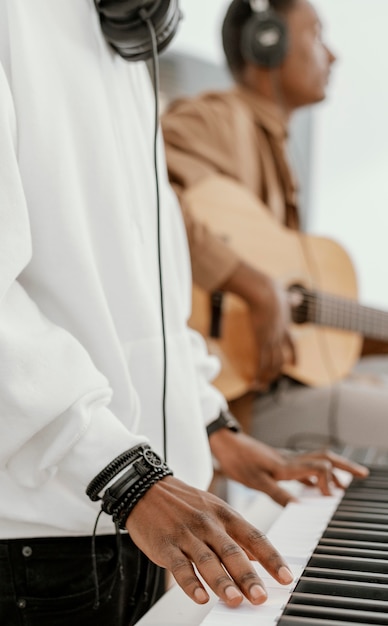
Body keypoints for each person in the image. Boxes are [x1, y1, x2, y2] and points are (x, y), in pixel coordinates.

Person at [0, 1, 368, 625]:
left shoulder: (126, 40)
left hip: (149, 515)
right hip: (57, 535)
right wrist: (121, 475)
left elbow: (147, 281)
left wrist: (209, 423)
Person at [162, 0, 388, 452]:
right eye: (317, 34)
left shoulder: (280, 154)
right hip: (222, 398)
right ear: (266, 41)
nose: (334, 55)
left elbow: (302, 330)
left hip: (268, 393)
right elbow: (145, 203)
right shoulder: (214, 119)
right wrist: (253, 285)